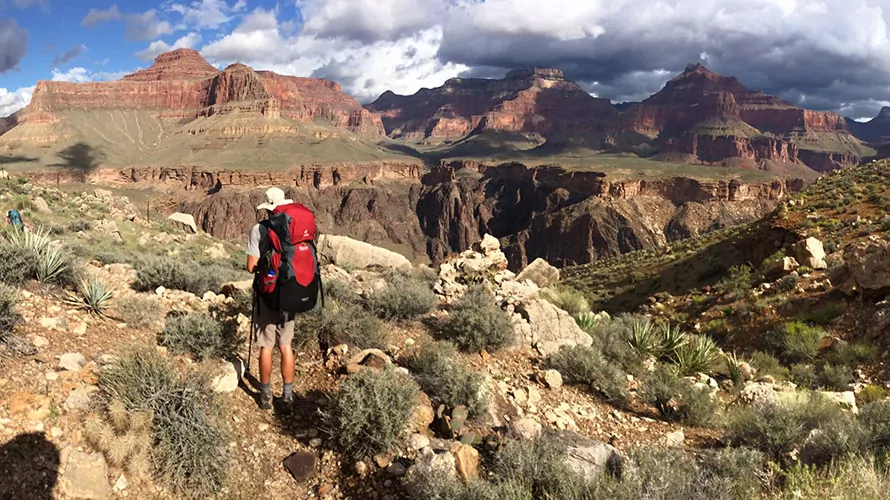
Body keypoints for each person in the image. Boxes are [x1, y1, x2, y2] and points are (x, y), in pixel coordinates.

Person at [246, 187, 297, 410]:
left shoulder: (258, 229)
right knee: (285, 346)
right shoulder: (293, 229)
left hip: (266, 295)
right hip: (288, 295)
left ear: (267, 208)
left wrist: (263, 268)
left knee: (266, 347)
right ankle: (287, 397)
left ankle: (265, 395)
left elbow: (250, 267)